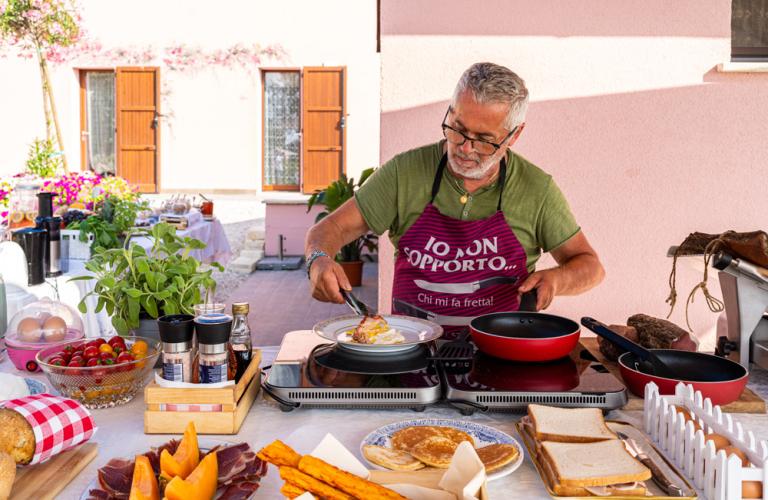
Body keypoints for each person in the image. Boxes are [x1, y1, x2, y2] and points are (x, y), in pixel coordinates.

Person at [305, 62, 604, 336]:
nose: (464, 147)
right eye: (457, 129)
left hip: (501, 353)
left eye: (484, 140)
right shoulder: (404, 173)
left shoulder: (536, 189)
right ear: (450, 111)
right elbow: (330, 229)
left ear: (514, 135)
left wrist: (556, 279)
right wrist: (319, 258)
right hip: (411, 350)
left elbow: (590, 266)